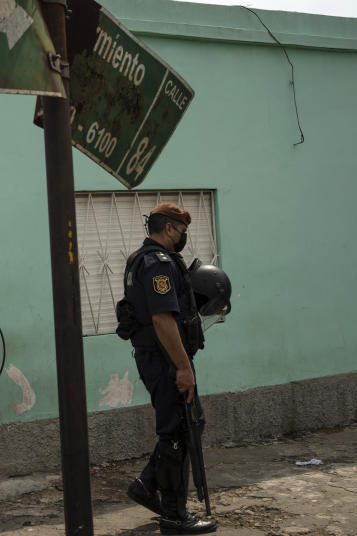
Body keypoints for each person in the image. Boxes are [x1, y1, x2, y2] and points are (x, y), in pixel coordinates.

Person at [119, 203, 216, 535]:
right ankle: (174, 517)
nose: (184, 235)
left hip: (158, 358)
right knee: (177, 433)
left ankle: (148, 485)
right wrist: (183, 367)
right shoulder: (157, 264)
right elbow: (163, 320)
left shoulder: (142, 260)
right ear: (170, 228)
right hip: (163, 359)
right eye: (182, 228)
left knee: (189, 424)